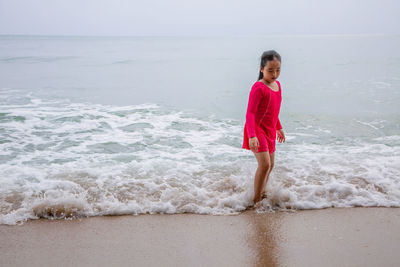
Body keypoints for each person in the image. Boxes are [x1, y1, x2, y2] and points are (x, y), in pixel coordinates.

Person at [242, 50, 286, 207]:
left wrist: (278, 127)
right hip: (256, 130)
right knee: (265, 165)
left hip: (269, 130)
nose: (274, 74)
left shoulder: (277, 86)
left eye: (278, 69)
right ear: (261, 69)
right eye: (270, 70)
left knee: (271, 165)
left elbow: (273, 111)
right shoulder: (258, 87)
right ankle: (256, 200)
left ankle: (261, 191)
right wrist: (252, 135)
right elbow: (251, 113)